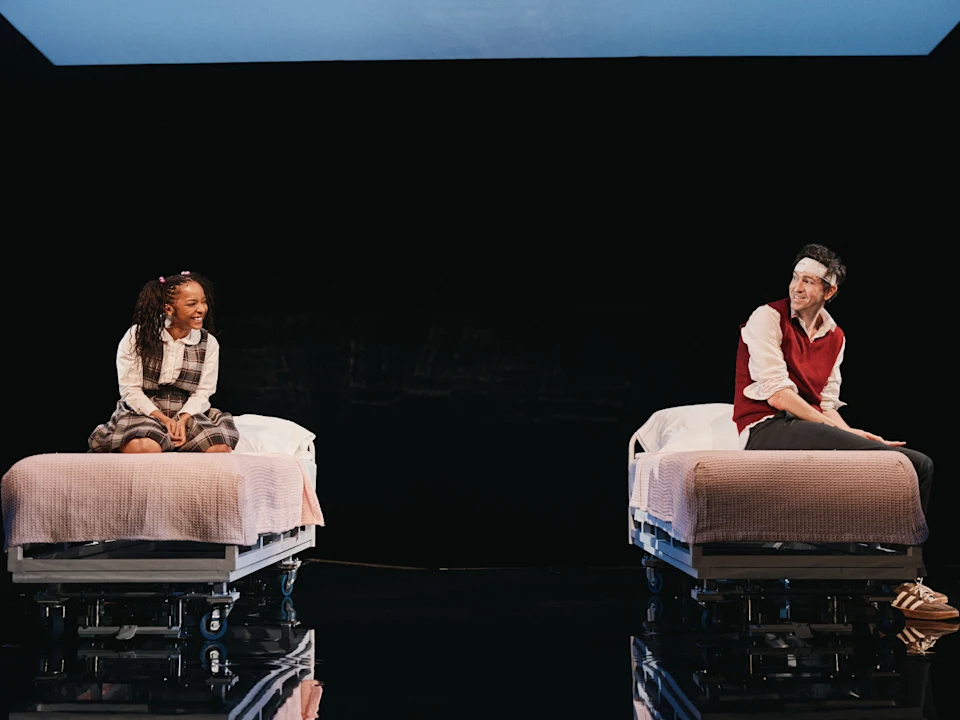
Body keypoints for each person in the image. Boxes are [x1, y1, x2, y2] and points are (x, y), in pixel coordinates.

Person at [732, 244, 954, 621]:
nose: (797, 287)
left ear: (829, 291)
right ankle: (902, 580)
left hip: (806, 426)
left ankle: (901, 576)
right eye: (795, 277)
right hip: (766, 429)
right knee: (891, 462)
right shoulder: (767, 317)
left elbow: (826, 406)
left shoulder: (836, 336)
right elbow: (779, 395)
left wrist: (857, 435)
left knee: (918, 464)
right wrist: (844, 437)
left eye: (809, 281)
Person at [88, 270, 239, 454]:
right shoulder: (138, 336)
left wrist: (182, 419)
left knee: (218, 448)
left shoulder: (208, 343)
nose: (201, 309)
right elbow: (131, 389)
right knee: (146, 447)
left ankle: (180, 452)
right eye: (192, 304)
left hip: (187, 412)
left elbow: (203, 392)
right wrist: (163, 419)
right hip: (145, 410)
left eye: (203, 301)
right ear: (168, 309)